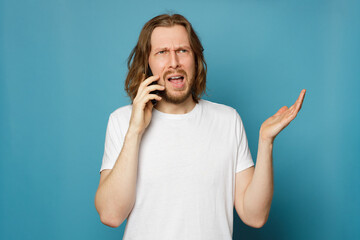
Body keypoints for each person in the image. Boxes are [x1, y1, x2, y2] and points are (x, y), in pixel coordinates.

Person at [94, 13, 306, 239]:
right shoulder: (122, 121)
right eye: (162, 52)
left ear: (195, 59)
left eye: (182, 51)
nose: (174, 62)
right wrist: (135, 131)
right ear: (147, 63)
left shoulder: (228, 120)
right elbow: (111, 215)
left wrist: (266, 142)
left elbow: (254, 216)